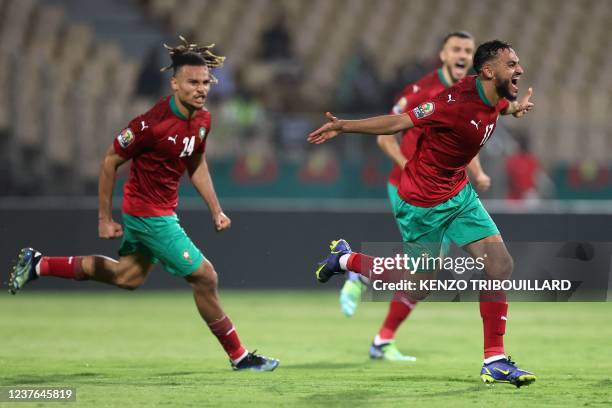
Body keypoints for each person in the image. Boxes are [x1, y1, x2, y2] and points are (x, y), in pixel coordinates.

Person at [8, 36, 279, 372]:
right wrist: (104, 219)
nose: (201, 89)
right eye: (193, 82)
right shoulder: (150, 125)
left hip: (160, 210)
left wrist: (215, 209)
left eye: (205, 82)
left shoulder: (203, 120)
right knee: (206, 276)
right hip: (148, 213)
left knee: (127, 277)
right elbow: (110, 161)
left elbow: (195, 163)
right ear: (174, 83)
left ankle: (39, 265)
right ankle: (240, 357)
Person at [309, 40, 536, 387]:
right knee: (421, 284)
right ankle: (347, 260)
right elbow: (400, 121)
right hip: (423, 201)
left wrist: (514, 110)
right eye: (512, 64)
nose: (519, 69)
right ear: (489, 71)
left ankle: (495, 359)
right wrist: (345, 126)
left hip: (458, 193)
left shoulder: (497, 95)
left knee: (500, 263)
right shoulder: (453, 102)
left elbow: (496, 108)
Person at [339, 31, 494, 362]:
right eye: (456, 49)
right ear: (443, 55)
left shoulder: (470, 93)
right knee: (424, 268)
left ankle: (381, 338)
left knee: (425, 275)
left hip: (446, 190)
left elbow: (466, 139)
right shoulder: (421, 91)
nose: (463, 55)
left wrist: (477, 172)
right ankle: (355, 267)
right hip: (408, 187)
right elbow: (386, 138)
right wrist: (410, 167)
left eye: (468, 49)